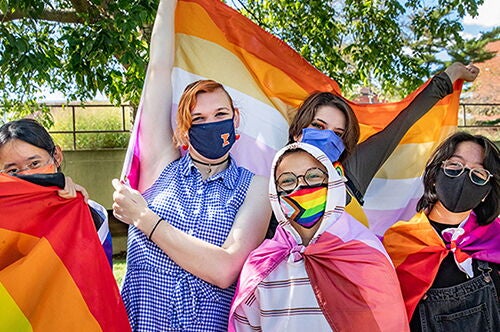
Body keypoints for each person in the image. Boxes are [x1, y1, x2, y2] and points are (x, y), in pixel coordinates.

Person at [111, 2, 271, 331]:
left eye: (220, 115)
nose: (211, 124)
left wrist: (144, 218)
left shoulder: (255, 187)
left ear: (235, 119)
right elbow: (158, 68)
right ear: (184, 129)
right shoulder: (160, 164)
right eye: (198, 118)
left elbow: (225, 268)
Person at [271, 62, 480, 233]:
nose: (327, 137)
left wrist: (452, 73)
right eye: (318, 126)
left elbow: (404, 120)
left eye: (337, 134)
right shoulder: (269, 178)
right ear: (298, 132)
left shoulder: (352, 170)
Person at [229, 142, 409, 331]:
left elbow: (388, 324)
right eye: (287, 181)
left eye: (313, 176)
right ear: (275, 193)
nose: (301, 186)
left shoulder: (365, 253)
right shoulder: (262, 264)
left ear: (332, 182)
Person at [382, 132, 500, 331]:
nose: (464, 177)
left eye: (478, 174)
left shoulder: (496, 239)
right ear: (435, 175)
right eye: (455, 165)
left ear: (485, 193)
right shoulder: (399, 243)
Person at [0, 118, 113, 265]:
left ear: (57, 156)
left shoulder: (90, 215)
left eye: (35, 164)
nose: (27, 176)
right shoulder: (4, 221)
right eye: (13, 170)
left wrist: (73, 206)